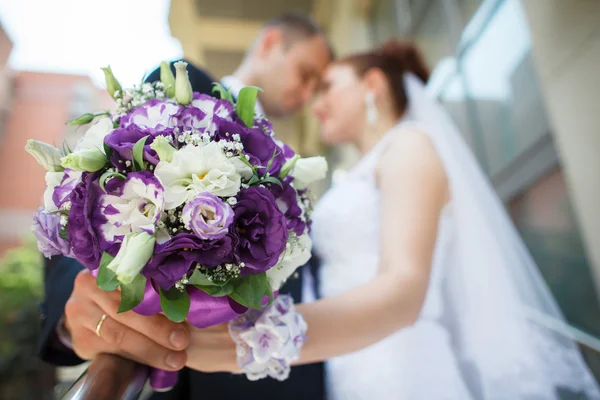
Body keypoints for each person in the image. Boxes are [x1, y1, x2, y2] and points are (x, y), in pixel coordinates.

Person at [182, 40, 600, 399]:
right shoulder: (358, 173)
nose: (317, 102)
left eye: (328, 86)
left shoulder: (411, 146)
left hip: (402, 369)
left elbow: (404, 290)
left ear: (373, 85)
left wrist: (254, 343)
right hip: (345, 367)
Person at [38, 12, 332, 400]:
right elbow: (96, 201)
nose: (307, 93)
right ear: (271, 43)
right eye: (306, 73)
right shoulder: (185, 90)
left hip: (294, 373)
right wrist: (71, 312)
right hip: (201, 383)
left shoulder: (284, 159)